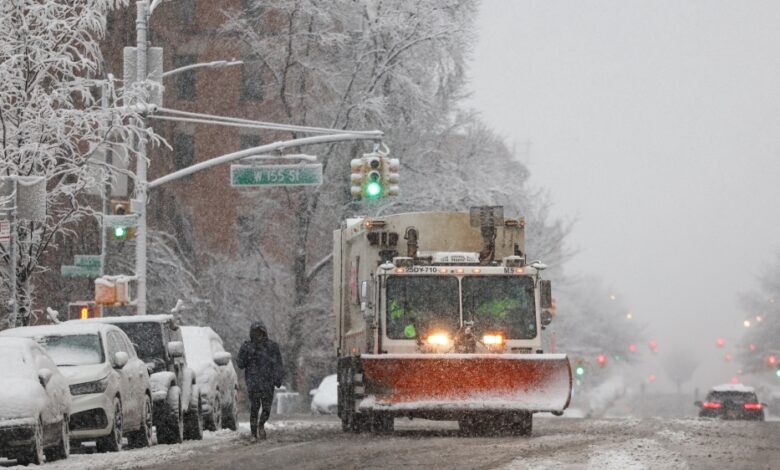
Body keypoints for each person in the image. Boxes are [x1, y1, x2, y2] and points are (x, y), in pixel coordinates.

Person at [237, 320, 284, 440]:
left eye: (260, 332)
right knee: (254, 407)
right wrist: (247, 354)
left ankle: (261, 424)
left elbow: (278, 364)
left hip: (268, 382)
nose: (258, 335)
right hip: (253, 383)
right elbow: (240, 363)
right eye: (256, 332)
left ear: (264, 333)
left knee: (266, 408)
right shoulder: (247, 346)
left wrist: (278, 378)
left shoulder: (272, 346)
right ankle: (253, 433)